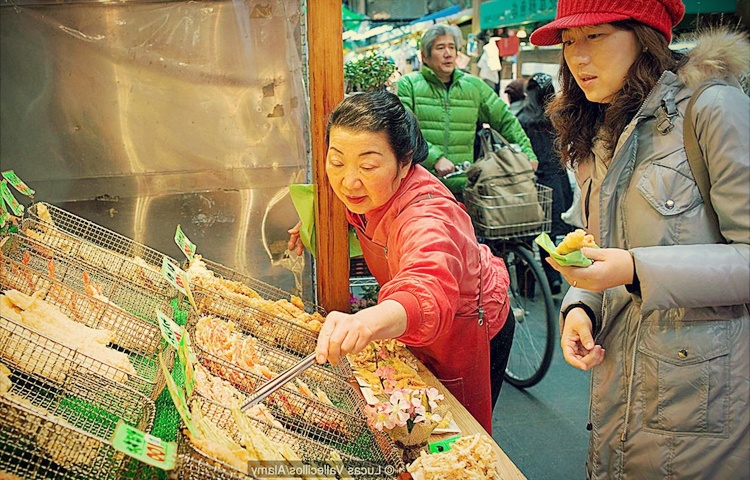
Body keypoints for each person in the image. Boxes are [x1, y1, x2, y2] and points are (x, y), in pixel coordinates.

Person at [531, 0, 750, 478]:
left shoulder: (713, 108)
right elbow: (602, 245)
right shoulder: (600, 124)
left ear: (645, 34)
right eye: (569, 42)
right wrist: (582, 303)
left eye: (597, 36)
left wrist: (634, 269)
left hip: (703, 399)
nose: (578, 58)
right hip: (619, 389)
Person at [288, 91, 515, 433]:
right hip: (419, 322)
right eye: (336, 162)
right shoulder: (372, 190)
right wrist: (313, 225)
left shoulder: (428, 214)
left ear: (405, 162)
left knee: (454, 434)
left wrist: (366, 322)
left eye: (367, 166)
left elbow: (427, 285)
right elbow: (354, 212)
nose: (349, 181)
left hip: (468, 322)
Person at [396, 23, 536, 198]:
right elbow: (402, 129)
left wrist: (527, 153)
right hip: (420, 185)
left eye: (452, 47)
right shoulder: (408, 85)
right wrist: (435, 158)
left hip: (463, 186)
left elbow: (506, 121)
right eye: (440, 48)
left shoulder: (474, 86)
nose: (448, 53)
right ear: (425, 55)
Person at [515, 72, 574, 294]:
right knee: (549, 234)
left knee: (527, 234)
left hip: (529, 184)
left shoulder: (521, 119)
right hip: (556, 182)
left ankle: (527, 286)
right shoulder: (558, 116)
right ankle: (554, 280)